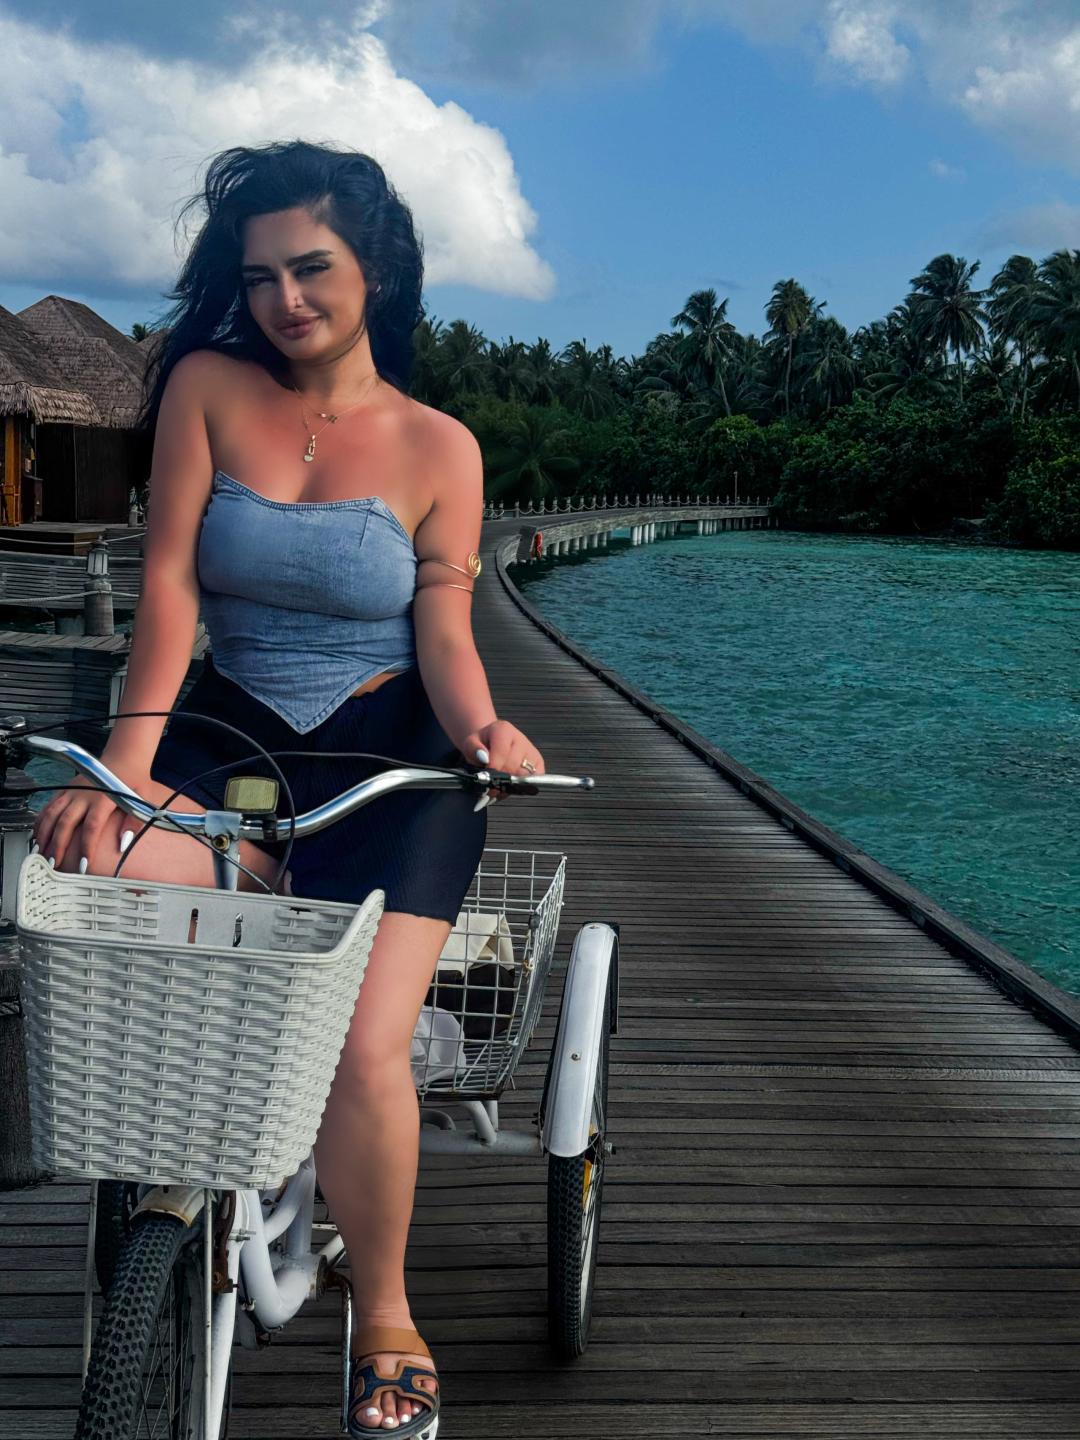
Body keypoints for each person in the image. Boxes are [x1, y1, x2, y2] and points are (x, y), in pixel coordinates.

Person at [31, 139, 546, 1437]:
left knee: (367, 1047)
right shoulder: (205, 387)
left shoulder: (440, 446)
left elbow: (445, 633)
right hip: (229, 731)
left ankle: (386, 1311)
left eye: (311, 269)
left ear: (377, 269)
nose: (284, 299)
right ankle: (171, 1179)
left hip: (394, 757)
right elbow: (168, 588)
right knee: (86, 869)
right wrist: (126, 771)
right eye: (258, 276)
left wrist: (485, 727)